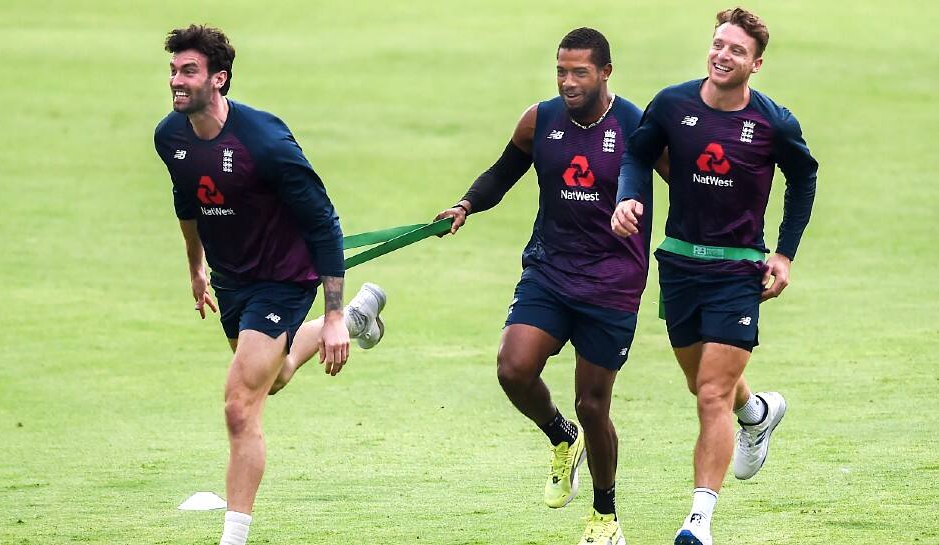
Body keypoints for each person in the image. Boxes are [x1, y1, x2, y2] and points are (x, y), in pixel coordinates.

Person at [153, 25, 386, 545]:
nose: (176, 80)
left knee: (240, 404)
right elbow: (186, 198)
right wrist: (195, 267)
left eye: (188, 70)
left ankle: (233, 538)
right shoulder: (170, 136)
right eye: (173, 70)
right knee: (273, 376)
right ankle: (359, 318)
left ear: (219, 79)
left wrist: (326, 314)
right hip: (232, 279)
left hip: (285, 276)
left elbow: (324, 224)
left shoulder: (265, 141)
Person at [436, 28, 666, 545]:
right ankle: (562, 439)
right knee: (513, 369)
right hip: (550, 269)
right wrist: (466, 205)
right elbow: (503, 172)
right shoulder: (539, 120)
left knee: (593, 405)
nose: (567, 81)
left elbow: (688, 190)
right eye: (561, 71)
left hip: (613, 283)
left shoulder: (637, 127)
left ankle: (604, 514)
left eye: (579, 72)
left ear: (606, 72)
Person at [611, 8, 818, 545]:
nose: (723, 55)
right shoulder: (672, 102)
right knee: (704, 383)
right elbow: (637, 154)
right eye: (718, 44)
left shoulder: (774, 122)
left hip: (738, 269)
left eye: (737, 51)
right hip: (679, 262)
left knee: (709, 393)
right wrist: (629, 195)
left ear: (756, 65)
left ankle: (698, 521)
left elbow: (804, 178)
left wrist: (785, 254)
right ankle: (757, 413)